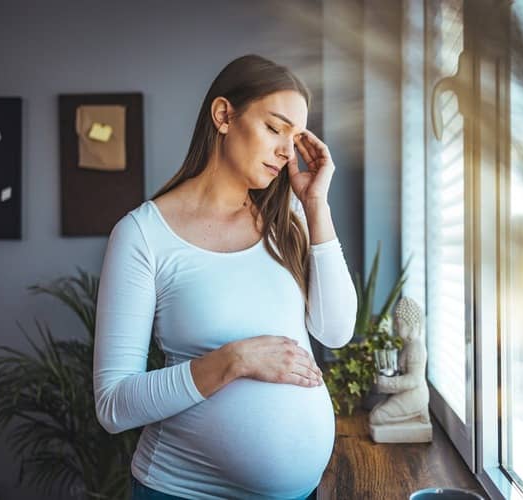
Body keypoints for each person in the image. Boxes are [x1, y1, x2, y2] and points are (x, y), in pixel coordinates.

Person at [92, 54, 357, 500]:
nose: (286, 152)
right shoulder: (143, 235)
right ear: (224, 116)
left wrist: (316, 205)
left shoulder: (287, 216)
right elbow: (113, 405)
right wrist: (233, 360)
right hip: (181, 491)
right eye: (275, 128)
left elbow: (335, 331)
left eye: (295, 138)